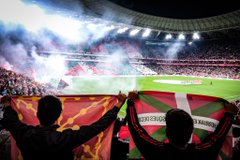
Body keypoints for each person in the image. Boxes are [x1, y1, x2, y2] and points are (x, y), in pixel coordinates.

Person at [0, 93, 127, 160]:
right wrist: (119, 104)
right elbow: (98, 126)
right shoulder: (66, 138)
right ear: (59, 115)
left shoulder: (24, 134)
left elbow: (11, 121)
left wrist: (6, 104)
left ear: (37, 114)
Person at [126, 91, 238, 160]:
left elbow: (136, 129)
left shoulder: (156, 152)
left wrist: (131, 102)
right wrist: (229, 114)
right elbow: (218, 137)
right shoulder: (201, 153)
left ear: (167, 132)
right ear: (191, 132)